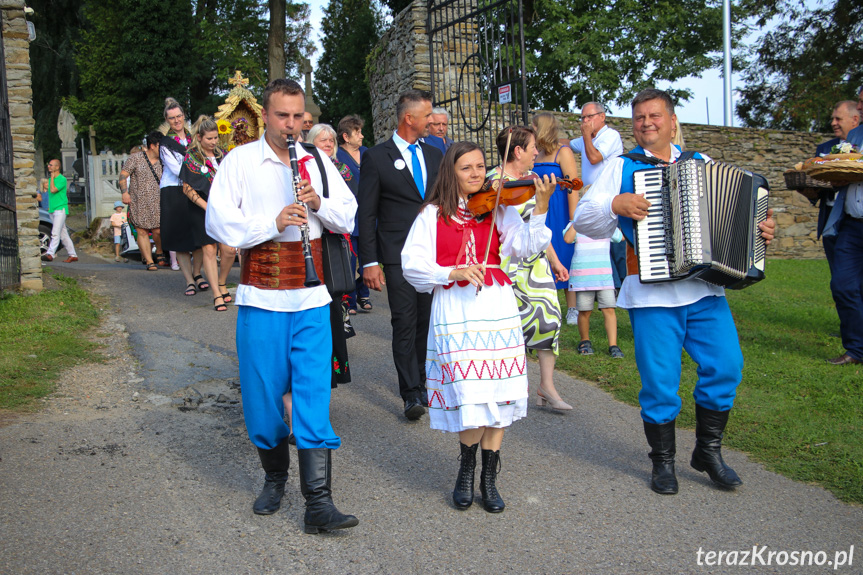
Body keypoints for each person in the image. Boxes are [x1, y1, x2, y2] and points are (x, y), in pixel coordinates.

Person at [573, 88, 776, 495]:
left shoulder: (700, 163)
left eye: (655, 116)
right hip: (652, 295)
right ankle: (662, 461)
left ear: (671, 119)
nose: (647, 123)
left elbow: (741, 216)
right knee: (660, 382)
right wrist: (615, 203)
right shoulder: (621, 167)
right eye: (639, 118)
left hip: (705, 291)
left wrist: (761, 231)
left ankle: (708, 450)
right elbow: (584, 218)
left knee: (727, 367)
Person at [206, 78, 358, 533]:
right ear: (265, 116)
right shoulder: (240, 161)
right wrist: (269, 223)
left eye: (298, 117)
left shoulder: (317, 160)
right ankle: (275, 476)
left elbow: (347, 215)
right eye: (282, 116)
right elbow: (219, 222)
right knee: (263, 400)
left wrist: (320, 203)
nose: (291, 125)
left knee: (314, 394)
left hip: (312, 297)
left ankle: (318, 504)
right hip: (262, 296)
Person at [402, 142, 556, 512]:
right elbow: (411, 265)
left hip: (496, 305)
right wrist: (451, 271)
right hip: (456, 308)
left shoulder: (498, 208)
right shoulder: (432, 215)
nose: (476, 174)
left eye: (480, 166)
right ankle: (465, 470)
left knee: (498, 389)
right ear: (450, 173)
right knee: (470, 390)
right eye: (466, 168)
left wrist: (542, 206)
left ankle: (489, 478)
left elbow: (526, 246)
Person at [358, 89, 444, 421]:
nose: (432, 121)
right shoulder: (377, 157)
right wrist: (369, 261)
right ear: (409, 118)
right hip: (397, 256)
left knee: (428, 321)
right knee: (404, 321)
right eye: (427, 116)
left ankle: (425, 382)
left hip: (433, 254)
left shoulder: (436, 155)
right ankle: (411, 393)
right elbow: (366, 214)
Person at [493, 126, 571, 411]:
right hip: (507, 264)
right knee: (510, 326)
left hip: (535, 264)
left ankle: (546, 386)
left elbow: (538, 225)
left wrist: (555, 260)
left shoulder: (536, 180)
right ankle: (509, 384)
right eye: (532, 147)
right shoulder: (493, 182)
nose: (537, 152)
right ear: (517, 151)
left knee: (549, 318)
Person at [821, 88, 863, 366]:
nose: (860, 106)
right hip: (851, 224)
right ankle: (856, 350)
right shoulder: (855, 137)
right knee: (843, 285)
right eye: (860, 101)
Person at [570, 102, 625, 300]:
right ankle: (608, 286)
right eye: (583, 118)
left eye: (589, 117)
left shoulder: (610, 136)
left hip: (610, 197)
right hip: (592, 198)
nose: (585, 122)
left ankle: (623, 285)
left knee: (616, 243)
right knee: (599, 244)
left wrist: (585, 135)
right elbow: (567, 144)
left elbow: (594, 157)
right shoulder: (586, 139)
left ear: (602, 116)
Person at [531, 113, 579, 319]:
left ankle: (572, 308)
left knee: (565, 252)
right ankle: (548, 301)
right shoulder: (535, 153)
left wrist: (572, 219)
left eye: (533, 126)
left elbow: (573, 187)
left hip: (559, 208)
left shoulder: (563, 151)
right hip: (540, 206)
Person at [159, 98, 208, 294]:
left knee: (199, 236)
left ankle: (197, 273)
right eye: (172, 118)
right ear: (167, 120)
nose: (176, 120)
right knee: (180, 238)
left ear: (184, 116)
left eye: (179, 116)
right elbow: (177, 168)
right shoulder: (165, 143)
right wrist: (201, 175)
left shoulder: (194, 137)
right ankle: (189, 280)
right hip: (175, 190)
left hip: (196, 189)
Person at [180, 115, 227, 312]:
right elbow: (187, 188)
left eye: (216, 138)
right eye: (209, 138)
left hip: (223, 208)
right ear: (199, 137)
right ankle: (217, 295)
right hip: (201, 209)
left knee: (229, 250)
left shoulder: (222, 155)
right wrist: (207, 207)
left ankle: (222, 282)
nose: (213, 142)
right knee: (209, 250)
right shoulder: (192, 157)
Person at [563, 221, 624, 358]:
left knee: (609, 309)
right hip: (584, 278)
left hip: (604, 277)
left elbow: (620, 237)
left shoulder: (606, 224)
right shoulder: (576, 224)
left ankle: (613, 345)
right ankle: (585, 340)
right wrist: (577, 219)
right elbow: (567, 239)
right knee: (585, 311)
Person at [814, 101, 860, 273]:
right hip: (831, 222)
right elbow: (815, 185)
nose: (833, 123)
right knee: (839, 277)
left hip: (854, 220)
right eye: (832, 119)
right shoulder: (824, 148)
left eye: (838, 119)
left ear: (855, 120)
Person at [336, 115, 372, 313]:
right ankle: (348, 301)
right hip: (348, 217)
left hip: (366, 215)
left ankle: (362, 291)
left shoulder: (368, 153)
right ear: (346, 136)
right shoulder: (337, 157)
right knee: (349, 260)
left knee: (368, 259)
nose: (362, 136)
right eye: (357, 133)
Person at [120, 131, 164, 271]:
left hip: (158, 201)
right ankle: (150, 261)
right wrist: (124, 193)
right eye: (159, 146)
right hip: (138, 201)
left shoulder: (164, 160)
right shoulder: (136, 158)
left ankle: (159, 250)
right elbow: (123, 175)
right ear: (152, 146)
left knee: (158, 230)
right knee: (142, 231)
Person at [40, 159, 78, 263]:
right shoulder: (50, 180)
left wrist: (52, 177)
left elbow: (53, 190)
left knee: (55, 233)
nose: (49, 166)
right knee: (63, 234)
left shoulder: (62, 179)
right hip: (53, 209)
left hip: (60, 209)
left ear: (57, 167)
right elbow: (50, 194)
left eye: (51, 165)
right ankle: (73, 254)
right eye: (49, 165)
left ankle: (50, 254)